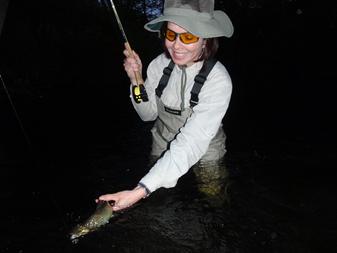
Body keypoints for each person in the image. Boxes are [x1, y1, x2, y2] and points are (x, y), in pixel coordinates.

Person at [98, 0, 234, 211]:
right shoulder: (158, 65)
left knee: (212, 196)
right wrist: (136, 82)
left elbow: (193, 141)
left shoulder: (218, 80)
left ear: (205, 40)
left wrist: (139, 190)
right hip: (162, 141)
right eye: (171, 35)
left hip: (206, 147)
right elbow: (147, 114)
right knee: (159, 198)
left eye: (188, 37)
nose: (176, 46)